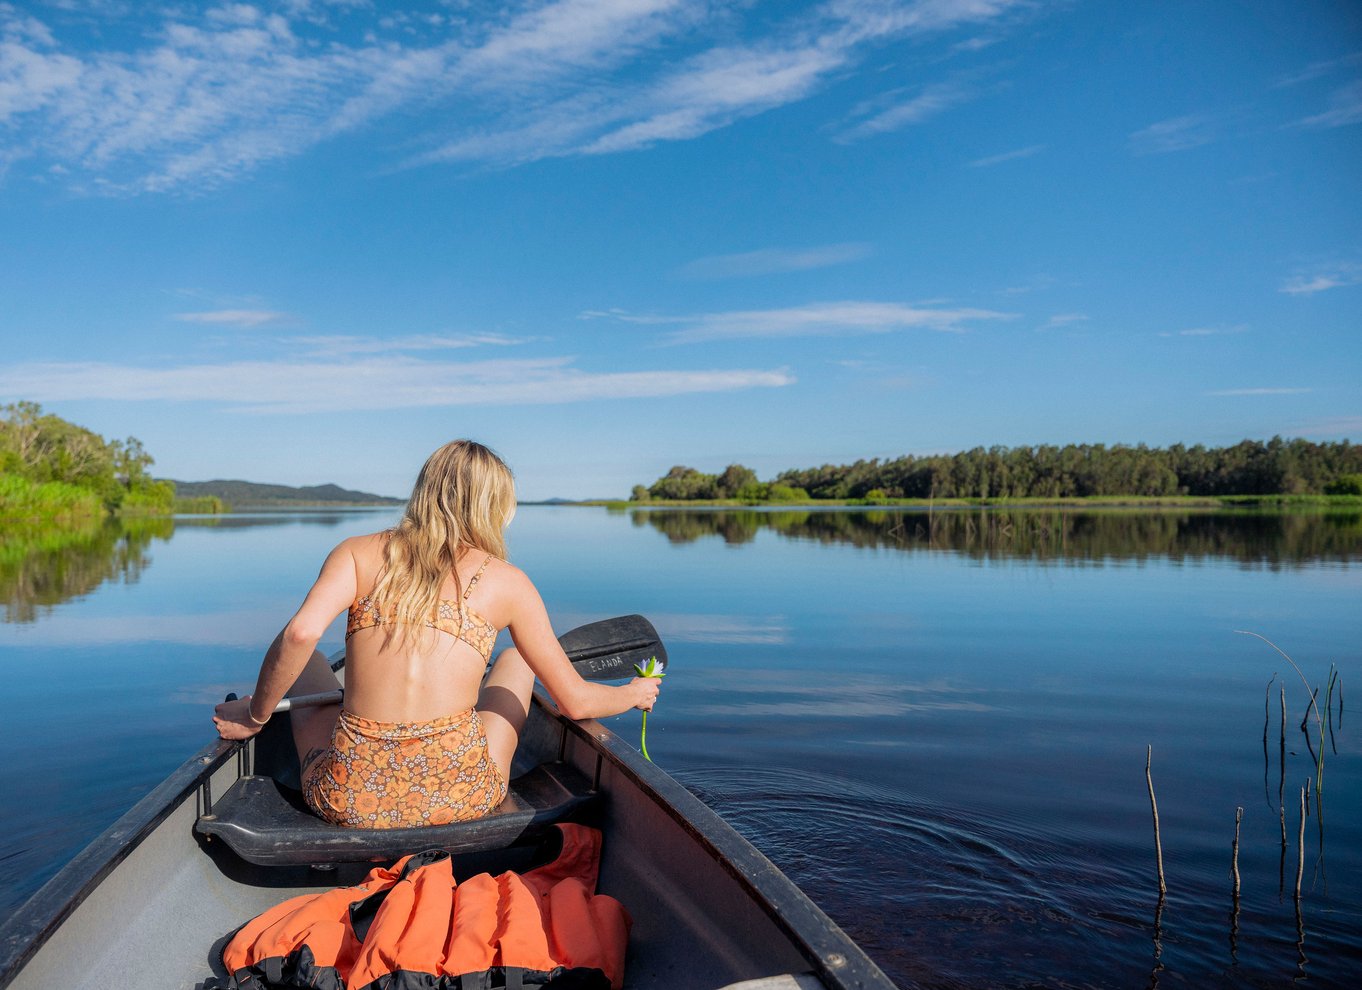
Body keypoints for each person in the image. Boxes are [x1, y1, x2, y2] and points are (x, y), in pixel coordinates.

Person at [213, 440, 660, 829]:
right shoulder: (508, 581)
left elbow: (300, 635)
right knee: (516, 660)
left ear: (424, 491)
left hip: (352, 802)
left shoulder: (356, 552)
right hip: (462, 798)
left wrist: (255, 714)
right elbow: (576, 702)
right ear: (494, 507)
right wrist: (633, 693)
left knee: (306, 660)